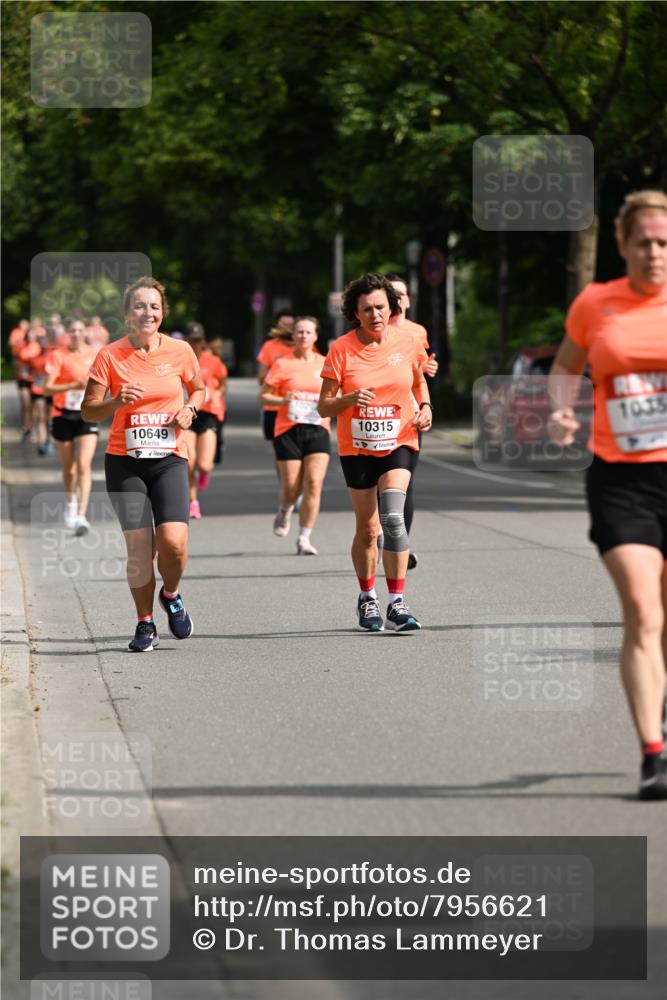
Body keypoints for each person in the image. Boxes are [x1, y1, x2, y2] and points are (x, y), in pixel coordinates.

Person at [548, 189, 667, 801]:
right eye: (644, 242)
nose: (654, 253)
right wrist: (564, 415)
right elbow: (565, 371)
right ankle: (653, 755)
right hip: (624, 479)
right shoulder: (596, 305)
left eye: (664, 243)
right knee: (645, 611)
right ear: (622, 245)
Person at [81, 276, 205, 652]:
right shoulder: (110, 355)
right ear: (126, 314)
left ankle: (171, 594)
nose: (147, 312)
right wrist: (116, 402)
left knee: (173, 543)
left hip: (168, 459)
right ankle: (144, 623)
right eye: (139, 306)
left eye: (154, 306)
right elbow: (89, 409)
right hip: (125, 462)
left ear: (162, 312)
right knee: (139, 549)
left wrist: (190, 408)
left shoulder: (181, 351)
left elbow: (199, 387)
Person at [318, 273, 432, 631]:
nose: (375, 314)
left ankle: (397, 602)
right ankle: (368, 598)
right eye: (366, 309)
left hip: (399, 438)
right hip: (357, 446)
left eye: (380, 307)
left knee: (393, 519)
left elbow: (418, 380)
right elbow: (324, 407)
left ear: (391, 307)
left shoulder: (409, 341)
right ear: (355, 313)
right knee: (367, 528)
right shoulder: (341, 349)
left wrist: (426, 406)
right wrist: (349, 399)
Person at [260, 316, 330, 554]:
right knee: (291, 486)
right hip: (287, 429)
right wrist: (282, 399)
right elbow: (264, 396)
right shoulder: (282, 363)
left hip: (318, 428)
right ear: (294, 335)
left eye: (308, 332)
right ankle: (285, 509)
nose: (303, 336)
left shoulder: (325, 363)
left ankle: (304, 537)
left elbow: (336, 394)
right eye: (299, 332)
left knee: (313, 483)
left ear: (315, 336)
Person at [386, 274, 439, 570]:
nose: (397, 299)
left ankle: (400, 542)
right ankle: (379, 532)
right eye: (391, 293)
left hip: (410, 415)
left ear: (407, 299)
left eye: (401, 294)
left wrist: (428, 369)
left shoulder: (418, 331)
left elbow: (419, 370)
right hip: (379, 414)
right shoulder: (374, 330)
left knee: (405, 482)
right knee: (382, 484)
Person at [44, 317, 99, 534]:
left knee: (84, 465)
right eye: (72, 330)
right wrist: (72, 385)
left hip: (87, 414)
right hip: (62, 415)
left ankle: (81, 516)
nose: (76, 334)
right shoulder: (58, 355)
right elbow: (47, 389)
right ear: (67, 333)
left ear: (85, 332)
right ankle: (71, 501)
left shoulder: (95, 354)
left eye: (80, 330)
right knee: (70, 468)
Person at [183, 322, 228, 518]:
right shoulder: (179, 359)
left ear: (203, 341)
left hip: (209, 412)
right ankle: (193, 502)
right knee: (189, 462)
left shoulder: (213, 361)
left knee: (205, 464)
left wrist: (217, 393)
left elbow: (224, 384)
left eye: (198, 340)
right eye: (191, 340)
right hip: (187, 412)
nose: (195, 344)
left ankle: (205, 473)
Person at [257, 311, 296, 442]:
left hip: (298, 406)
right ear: (278, 326)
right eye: (284, 324)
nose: (288, 328)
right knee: (281, 451)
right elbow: (261, 379)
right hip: (274, 406)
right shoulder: (269, 346)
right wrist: (279, 373)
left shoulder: (305, 346)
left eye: (291, 324)